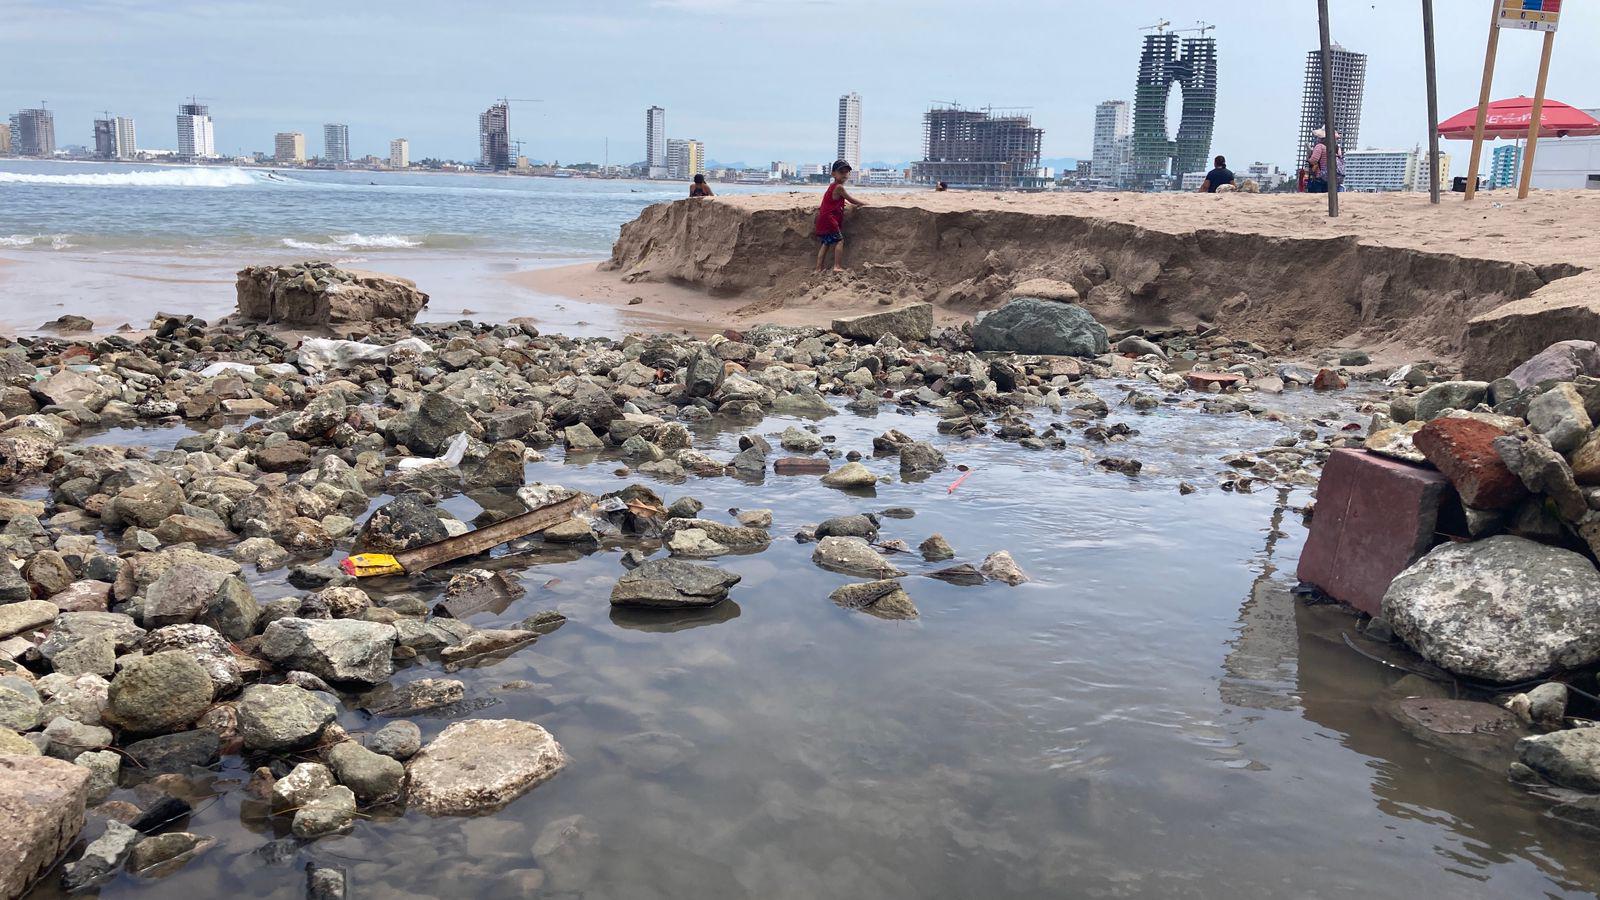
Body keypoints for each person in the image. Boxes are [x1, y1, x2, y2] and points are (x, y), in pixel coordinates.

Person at [814, 159, 865, 273]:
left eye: (846, 172)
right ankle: (837, 266)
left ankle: (818, 268)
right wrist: (864, 203)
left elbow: (833, 200)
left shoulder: (833, 186)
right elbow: (851, 199)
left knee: (826, 243)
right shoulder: (839, 187)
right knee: (840, 241)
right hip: (830, 219)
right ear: (833, 174)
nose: (844, 174)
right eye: (841, 172)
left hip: (824, 218)